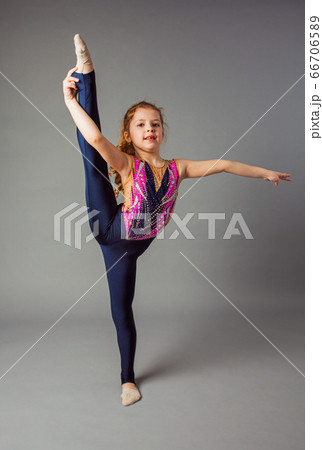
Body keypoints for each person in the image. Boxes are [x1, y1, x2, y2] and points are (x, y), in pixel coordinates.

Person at [62, 34, 291, 406]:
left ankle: (127, 380)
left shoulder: (177, 168)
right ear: (130, 135)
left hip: (128, 252)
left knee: (123, 309)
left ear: (162, 131)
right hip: (108, 226)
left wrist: (265, 172)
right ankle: (87, 74)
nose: (149, 128)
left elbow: (226, 164)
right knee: (91, 159)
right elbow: (94, 137)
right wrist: (69, 100)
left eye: (154, 123)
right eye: (140, 125)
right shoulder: (128, 164)